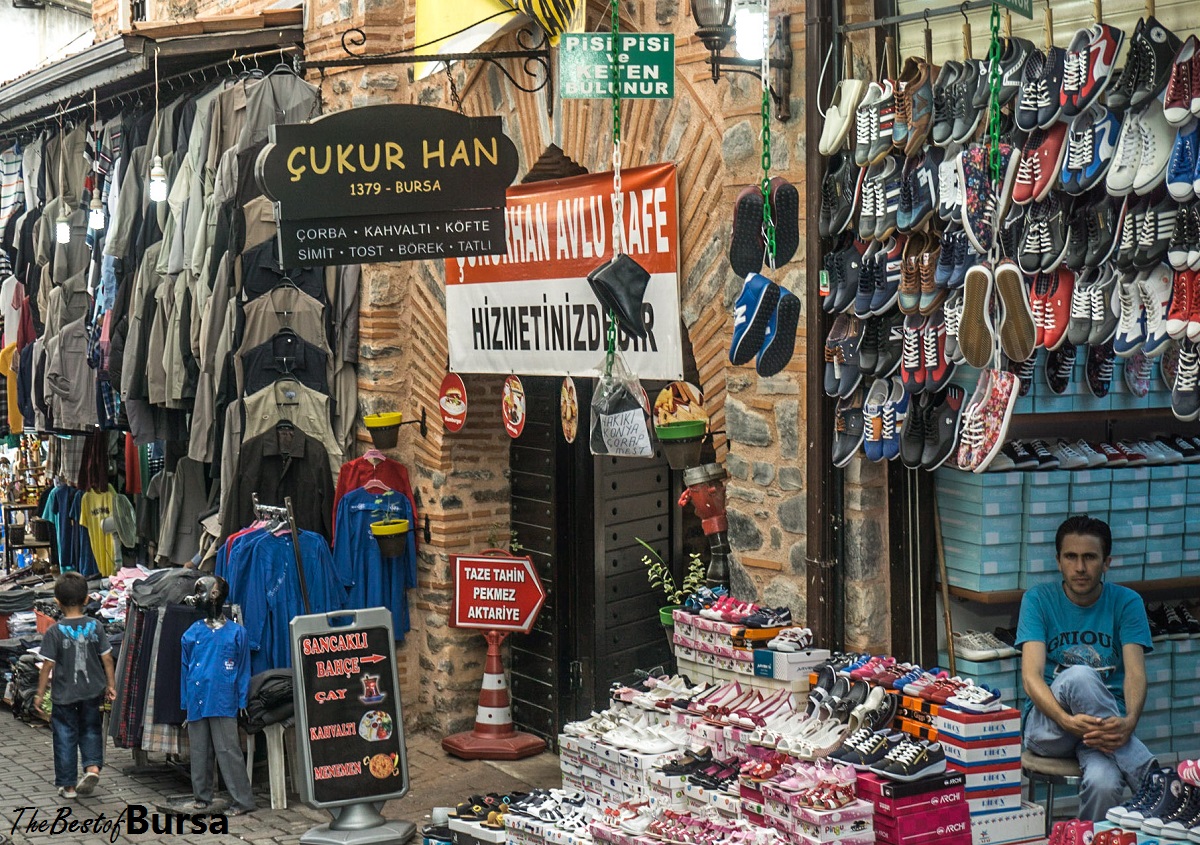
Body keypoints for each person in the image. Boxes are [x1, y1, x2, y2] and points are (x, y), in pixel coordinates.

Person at [1017, 515, 1156, 821]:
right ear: (1058, 561)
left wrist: (1129, 722)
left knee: (1104, 783)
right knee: (1079, 675)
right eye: (1071, 557)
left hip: (1106, 734)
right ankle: (1152, 781)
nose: (1080, 568)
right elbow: (1031, 678)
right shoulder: (1038, 600)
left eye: (1090, 557)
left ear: (1106, 562)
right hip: (1050, 728)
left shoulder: (1126, 602)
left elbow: (1135, 673)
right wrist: (1066, 720)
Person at [35, 571, 117, 799]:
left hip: (64, 694)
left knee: (64, 736)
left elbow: (47, 666)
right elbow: (107, 658)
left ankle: (68, 785)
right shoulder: (95, 626)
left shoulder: (54, 631)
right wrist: (111, 685)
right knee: (91, 729)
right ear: (86, 599)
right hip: (92, 691)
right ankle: (92, 767)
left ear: (57, 602)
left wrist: (40, 694)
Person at [179, 575, 254, 815]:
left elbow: (243, 670)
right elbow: (184, 669)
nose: (194, 596)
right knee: (199, 751)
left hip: (223, 699)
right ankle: (201, 797)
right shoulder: (191, 633)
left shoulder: (236, 633)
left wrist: (242, 700)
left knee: (228, 751)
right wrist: (185, 703)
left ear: (214, 595)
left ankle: (242, 800)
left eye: (200, 591)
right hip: (197, 698)